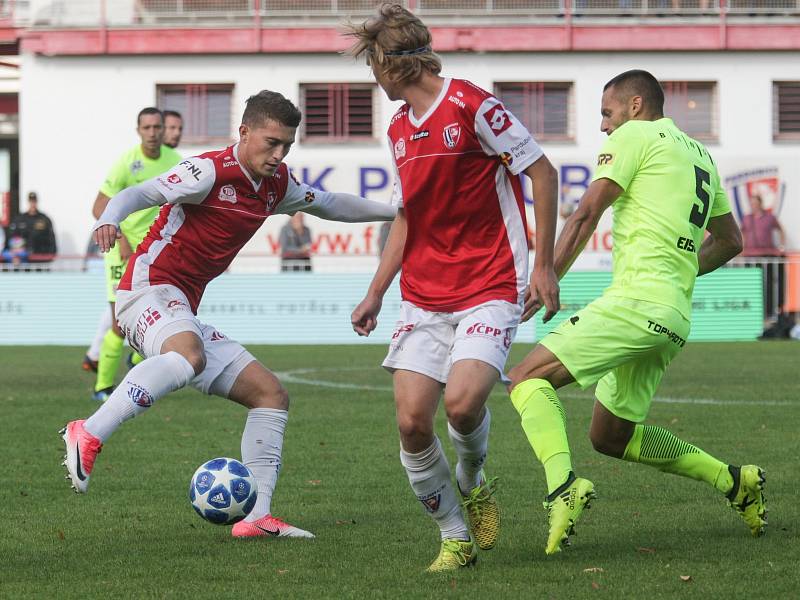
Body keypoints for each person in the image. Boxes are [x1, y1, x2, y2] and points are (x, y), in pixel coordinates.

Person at [61, 90, 396, 540]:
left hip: (181, 304)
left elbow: (331, 204)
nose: (278, 155)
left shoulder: (275, 185)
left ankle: (257, 515)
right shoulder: (208, 171)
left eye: (287, 146)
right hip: (147, 288)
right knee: (188, 355)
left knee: (270, 395)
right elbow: (138, 192)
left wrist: (397, 210)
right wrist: (111, 219)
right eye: (271, 142)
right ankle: (89, 431)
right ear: (244, 132)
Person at [505, 69, 766, 556]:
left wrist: (548, 273)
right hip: (673, 315)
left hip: (637, 302)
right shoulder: (701, 156)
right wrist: (681, 273)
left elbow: (586, 213)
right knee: (610, 436)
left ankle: (563, 488)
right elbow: (732, 241)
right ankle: (734, 481)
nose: (604, 126)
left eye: (607, 113)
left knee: (525, 378)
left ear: (635, 105)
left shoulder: (635, 136)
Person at [347, 4, 560, 572]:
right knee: (412, 422)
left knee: (463, 405)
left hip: (492, 280)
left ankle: (473, 478)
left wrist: (545, 266)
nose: (371, 76)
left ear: (392, 64)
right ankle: (455, 536)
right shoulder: (397, 129)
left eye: (372, 63)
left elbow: (542, 170)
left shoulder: (471, 104)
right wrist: (375, 291)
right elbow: (408, 216)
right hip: (424, 292)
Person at [89, 108, 182, 401]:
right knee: (119, 320)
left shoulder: (175, 163)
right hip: (122, 249)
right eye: (147, 127)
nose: (153, 133)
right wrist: (121, 238)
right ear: (139, 130)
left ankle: (138, 361)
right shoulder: (126, 162)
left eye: (158, 127)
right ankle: (102, 387)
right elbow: (99, 207)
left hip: (155, 250)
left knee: (164, 311)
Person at [741, 193, 787, 319]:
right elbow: (742, 233)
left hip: (767, 255)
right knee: (754, 284)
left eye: (755, 203)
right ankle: (755, 311)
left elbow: (781, 230)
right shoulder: (746, 218)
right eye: (751, 203)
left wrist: (782, 247)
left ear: (761, 204)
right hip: (750, 256)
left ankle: (770, 310)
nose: (753, 206)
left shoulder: (770, 217)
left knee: (770, 284)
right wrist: (741, 249)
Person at [6, 192, 57, 261]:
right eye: (31, 201)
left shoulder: (44, 219)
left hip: (41, 258)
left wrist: (51, 255)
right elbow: (12, 238)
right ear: (28, 202)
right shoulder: (20, 219)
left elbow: (51, 239)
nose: (33, 204)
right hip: (24, 259)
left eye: (34, 201)